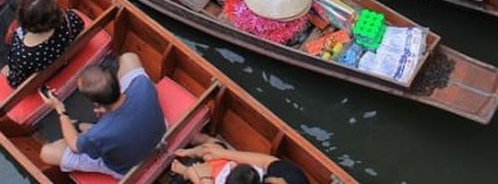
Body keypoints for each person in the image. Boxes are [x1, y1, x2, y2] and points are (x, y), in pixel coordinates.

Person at [39, 52, 166, 178]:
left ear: (96, 104)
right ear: (117, 83)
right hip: (159, 135)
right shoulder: (142, 84)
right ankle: (84, 127)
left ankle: (84, 129)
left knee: (46, 153)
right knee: (129, 57)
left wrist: (60, 109)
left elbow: (74, 145)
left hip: (128, 166)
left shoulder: (97, 135)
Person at [170, 135, 309, 184]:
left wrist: (200, 179)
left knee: (195, 172)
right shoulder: (292, 178)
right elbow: (267, 162)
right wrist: (222, 153)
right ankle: (207, 142)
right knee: (210, 151)